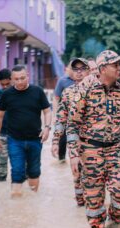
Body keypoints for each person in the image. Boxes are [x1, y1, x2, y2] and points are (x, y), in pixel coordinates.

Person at [66, 50, 120, 228]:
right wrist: (73, 155)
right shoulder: (85, 88)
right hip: (90, 150)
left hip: (115, 148)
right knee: (94, 197)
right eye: (116, 65)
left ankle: (116, 223)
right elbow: (72, 123)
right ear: (103, 68)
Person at [0, 65, 51, 197]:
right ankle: (17, 209)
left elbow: (47, 111)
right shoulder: (7, 94)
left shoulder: (37, 91)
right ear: (12, 79)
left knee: (34, 171)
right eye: (16, 79)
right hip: (14, 140)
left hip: (35, 139)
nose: (19, 82)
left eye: (22, 78)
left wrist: (47, 128)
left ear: (28, 76)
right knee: (17, 171)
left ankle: (32, 205)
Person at [51, 58, 90, 206]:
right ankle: (80, 203)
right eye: (76, 69)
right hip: (74, 141)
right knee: (77, 173)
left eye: (82, 69)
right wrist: (55, 141)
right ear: (71, 72)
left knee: (95, 178)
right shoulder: (67, 91)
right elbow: (61, 119)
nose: (79, 72)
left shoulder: (99, 90)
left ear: (89, 71)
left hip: (96, 142)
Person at [53, 60, 74, 163]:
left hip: (78, 116)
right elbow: (56, 98)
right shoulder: (62, 81)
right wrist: (55, 116)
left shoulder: (83, 80)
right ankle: (61, 158)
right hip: (65, 115)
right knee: (63, 138)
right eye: (71, 67)